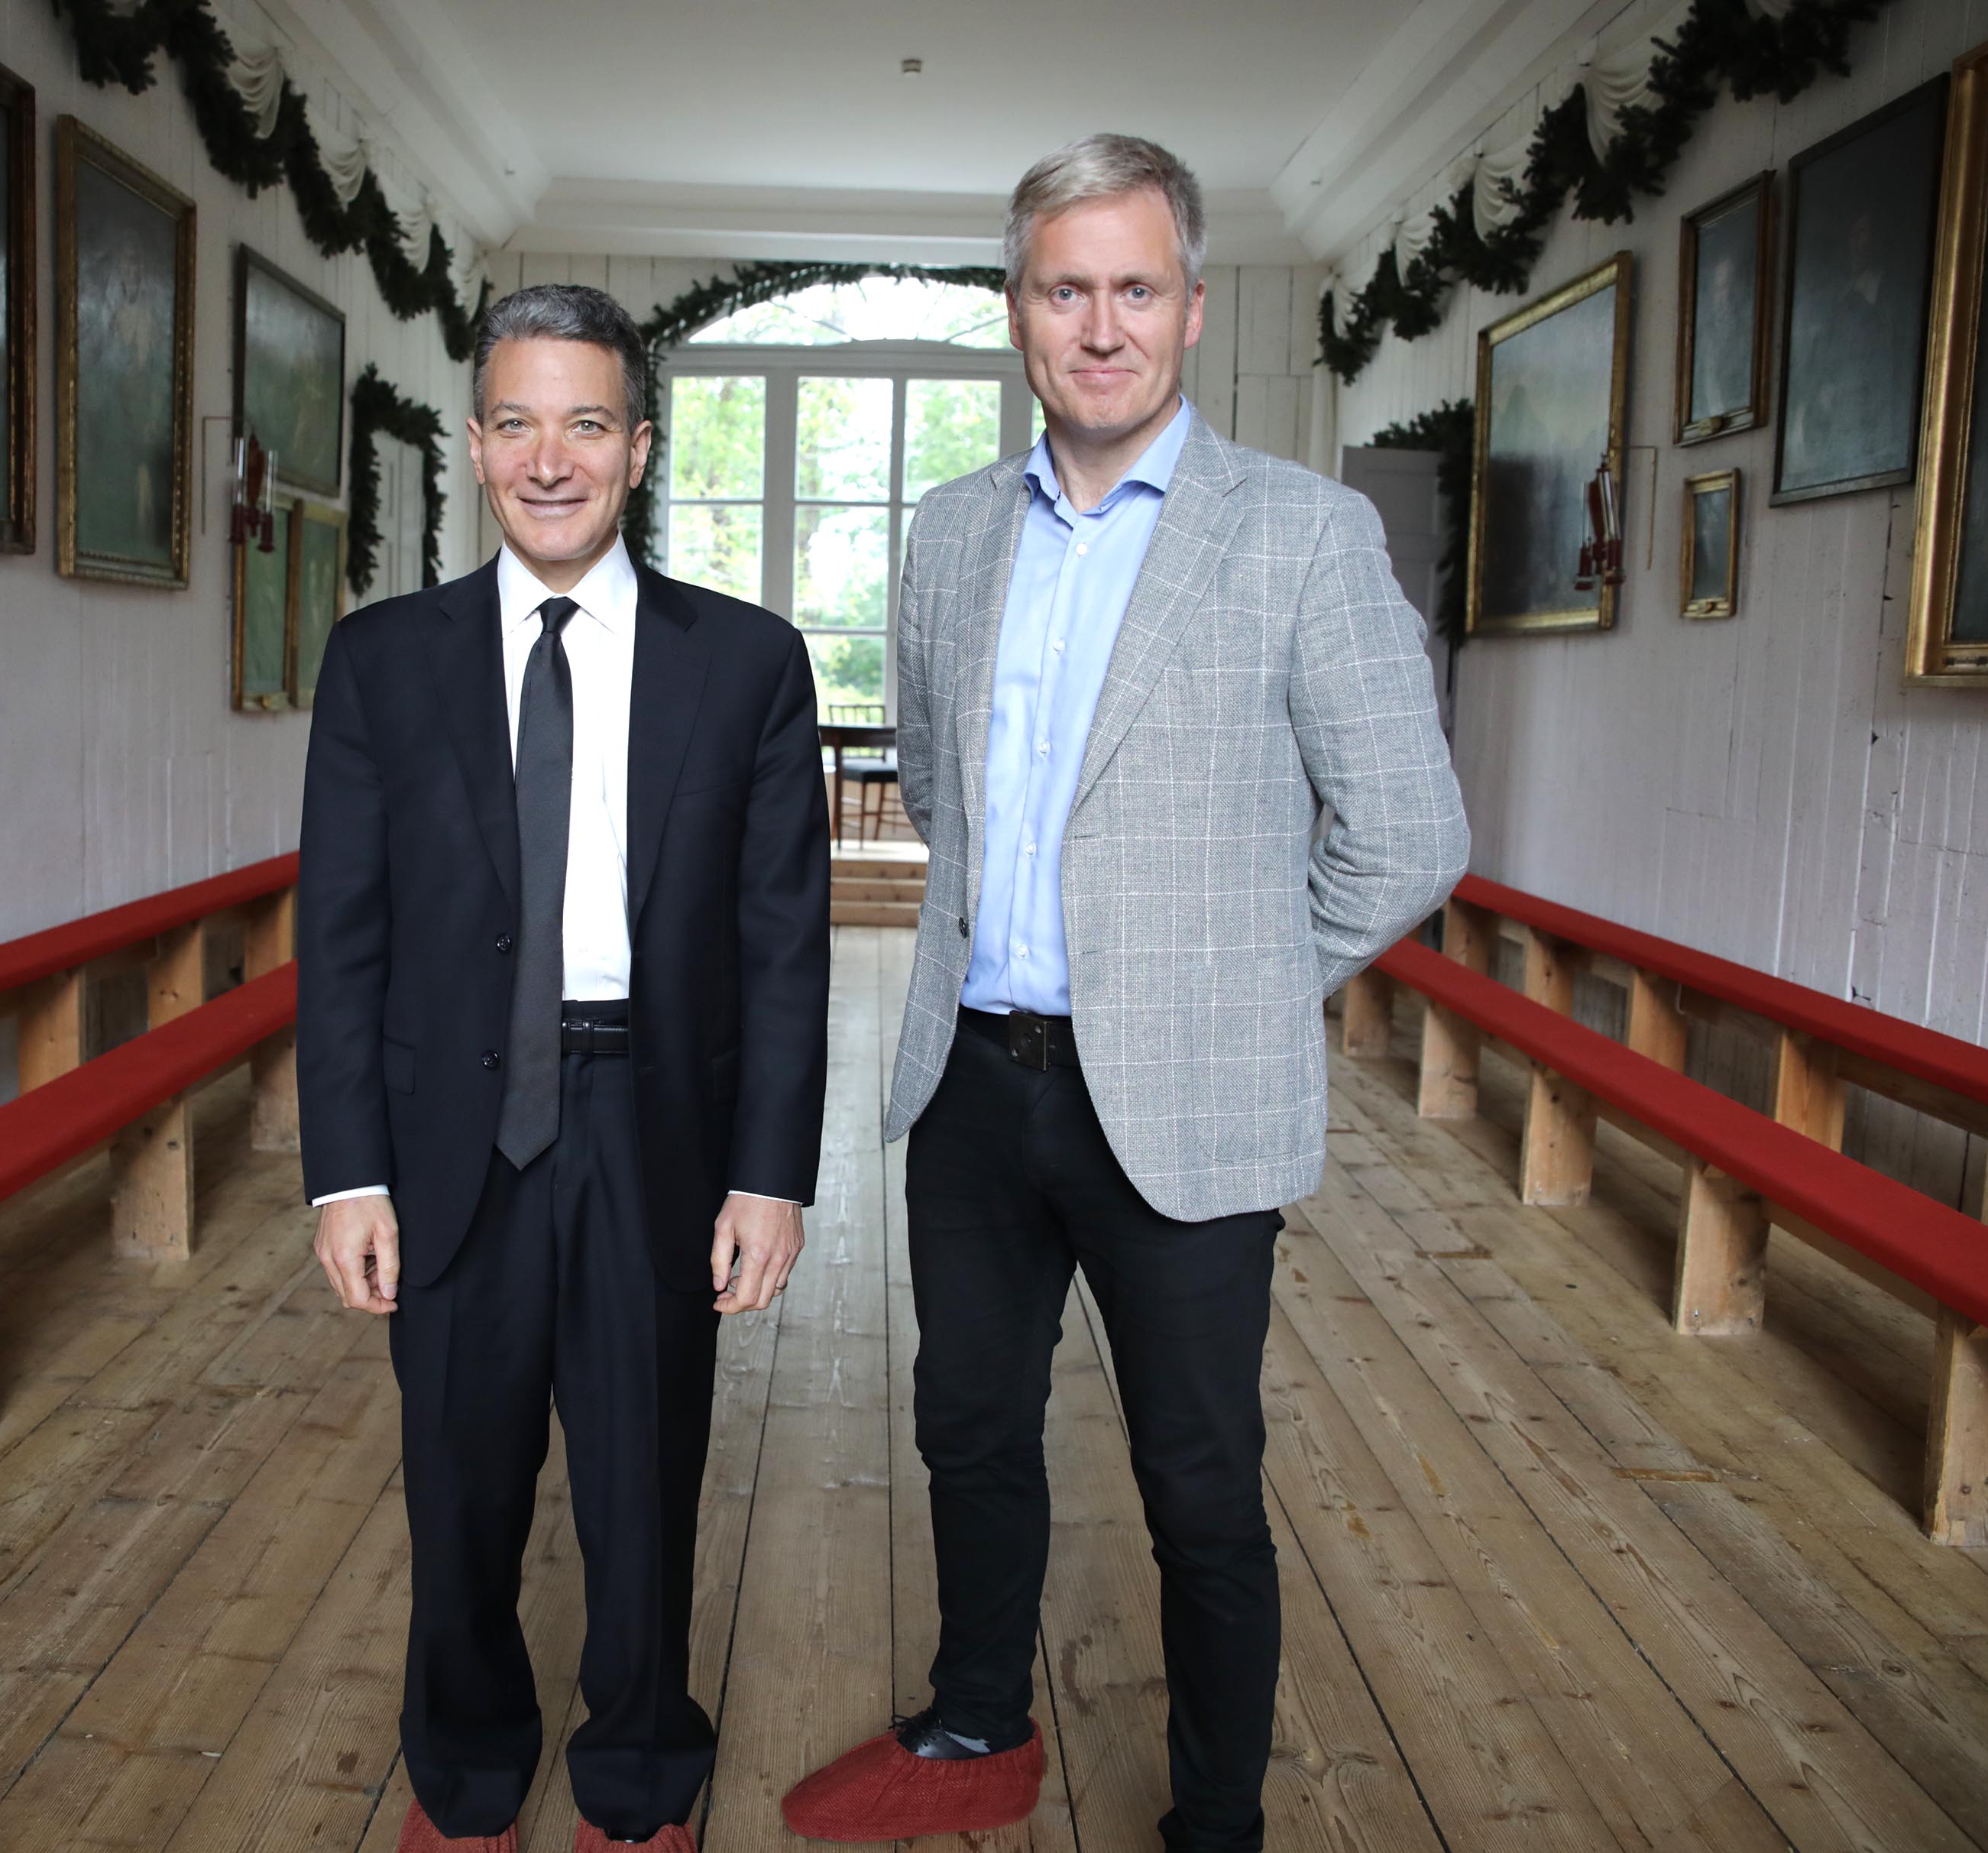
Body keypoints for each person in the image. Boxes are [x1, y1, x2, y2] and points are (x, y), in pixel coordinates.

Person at [780, 135, 1468, 1851]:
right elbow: (941, 789)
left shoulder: (1303, 537)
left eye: (1135, 289)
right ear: (1018, 310)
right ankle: (973, 1725)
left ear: (1192, 308)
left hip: (1182, 1096)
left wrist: (1222, 986)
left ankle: (1216, 1818)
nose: (1101, 327)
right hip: (972, 1083)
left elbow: (1407, 836)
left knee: (1199, 1487)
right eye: (1065, 287)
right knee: (965, 1428)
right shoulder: (948, 536)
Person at [296, 283, 830, 1853]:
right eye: (517, 422)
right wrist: (345, 1169)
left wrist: (770, 1172)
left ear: (640, 449)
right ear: (473, 446)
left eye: (585, 423)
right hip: (449, 1126)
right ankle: (463, 1774)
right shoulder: (383, 663)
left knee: (643, 1478)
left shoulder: (743, 663)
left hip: (650, 1115)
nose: (550, 458)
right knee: (455, 1482)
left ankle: (641, 1774)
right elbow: (341, 937)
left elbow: (783, 943)